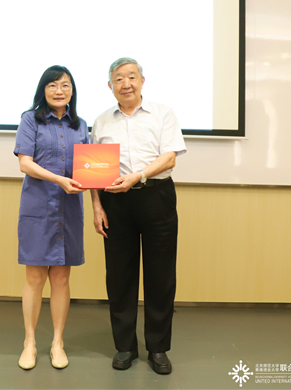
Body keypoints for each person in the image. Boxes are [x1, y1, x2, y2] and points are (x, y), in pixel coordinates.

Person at [90, 57, 186, 375]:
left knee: (161, 275)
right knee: (120, 275)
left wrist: (139, 176)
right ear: (110, 86)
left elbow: (169, 158)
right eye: (119, 78)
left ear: (142, 81)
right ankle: (125, 346)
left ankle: (158, 347)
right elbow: (93, 171)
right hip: (115, 202)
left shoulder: (163, 113)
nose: (126, 83)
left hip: (156, 197)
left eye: (132, 77)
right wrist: (97, 206)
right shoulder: (102, 121)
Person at [14, 65, 88, 370]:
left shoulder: (80, 125)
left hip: (69, 209)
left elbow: (89, 169)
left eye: (65, 85)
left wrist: (97, 195)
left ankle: (57, 342)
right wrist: (59, 179)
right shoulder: (30, 119)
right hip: (38, 207)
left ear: (72, 90)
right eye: (53, 85)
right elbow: (25, 164)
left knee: (61, 278)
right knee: (34, 278)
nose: (60, 91)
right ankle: (29, 342)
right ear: (43, 90)